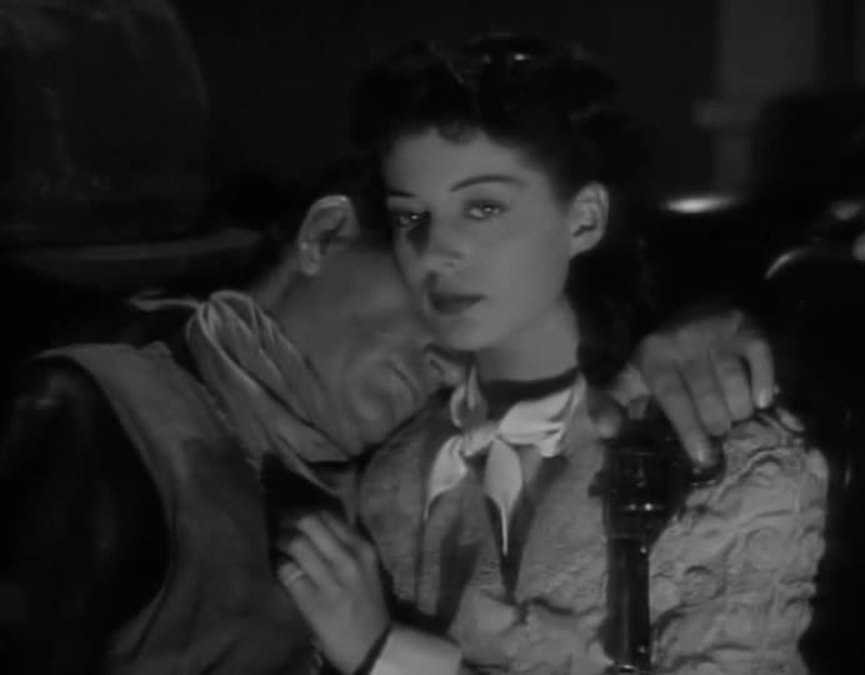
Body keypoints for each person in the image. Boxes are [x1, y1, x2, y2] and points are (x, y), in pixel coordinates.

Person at [0, 150, 774, 675]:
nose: (455, 362)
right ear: (327, 234)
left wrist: (712, 328)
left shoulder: (397, 466)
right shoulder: (100, 417)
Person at [276, 34, 828, 674]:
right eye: (410, 217)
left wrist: (385, 658)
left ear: (584, 219)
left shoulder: (726, 461)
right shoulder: (392, 480)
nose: (436, 250)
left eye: (483, 207)